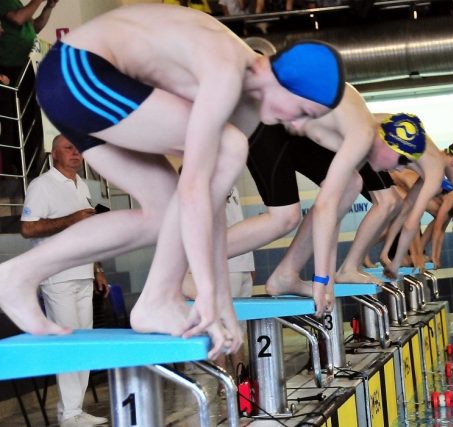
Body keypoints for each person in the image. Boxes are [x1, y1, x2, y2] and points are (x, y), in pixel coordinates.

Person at [0, 4, 345, 359]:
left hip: (78, 86)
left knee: (165, 215)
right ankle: (159, 297)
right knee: (229, 147)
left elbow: (207, 204)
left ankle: (18, 275)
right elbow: (193, 189)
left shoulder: (246, 105)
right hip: (78, 70)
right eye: (303, 112)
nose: (296, 126)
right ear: (279, 79)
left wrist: (221, 301)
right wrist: (206, 293)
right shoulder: (227, 68)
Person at [228, 85, 423, 316]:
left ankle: (285, 275)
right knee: (284, 218)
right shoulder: (361, 136)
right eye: (402, 160)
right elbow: (324, 208)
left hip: (290, 126)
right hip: (264, 113)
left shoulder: (361, 136)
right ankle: (192, 261)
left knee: (351, 184)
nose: (399, 169)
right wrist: (320, 280)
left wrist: (327, 280)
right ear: (390, 143)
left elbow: (332, 214)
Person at [20, 135, 109, 427]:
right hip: (57, 276)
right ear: (53, 155)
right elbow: (27, 229)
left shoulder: (82, 185)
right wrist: (71, 219)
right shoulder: (42, 185)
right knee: (69, 343)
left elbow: (87, 233)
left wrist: (97, 268)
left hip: (83, 273)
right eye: (68, 148)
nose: (75, 152)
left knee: (84, 343)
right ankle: (69, 414)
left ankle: (75, 409)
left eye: (78, 148)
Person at [381, 138, 453, 279]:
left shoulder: (433, 165)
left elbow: (409, 211)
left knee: (397, 208)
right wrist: (411, 257)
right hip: (379, 161)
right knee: (389, 205)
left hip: (380, 161)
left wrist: (429, 255)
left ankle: (384, 254)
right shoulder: (440, 181)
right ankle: (364, 261)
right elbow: (415, 222)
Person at [183, 185, 255, 372]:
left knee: (236, 326)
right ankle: (225, 378)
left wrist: (250, 265)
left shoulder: (233, 186)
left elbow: (238, 224)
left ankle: (239, 377)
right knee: (223, 324)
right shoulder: (207, 182)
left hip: (241, 264)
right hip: (225, 266)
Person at [0, 0, 58, 82]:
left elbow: (35, 27)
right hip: (11, 64)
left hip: (28, 62)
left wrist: (49, 6)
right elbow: (18, 19)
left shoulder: (15, 3)